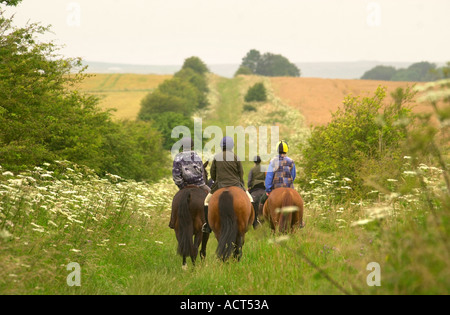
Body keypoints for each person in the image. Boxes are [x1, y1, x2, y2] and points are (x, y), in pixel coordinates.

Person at [202, 136, 253, 233]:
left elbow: (213, 174)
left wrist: (216, 180)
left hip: (219, 185)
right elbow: (240, 173)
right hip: (236, 184)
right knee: (251, 199)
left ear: (222, 146)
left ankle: (207, 225)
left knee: (206, 202)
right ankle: (253, 222)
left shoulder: (217, 157)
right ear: (231, 146)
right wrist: (240, 182)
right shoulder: (236, 157)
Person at [169, 137, 210, 229]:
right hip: (200, 185)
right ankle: (209, 222)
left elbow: (176, 175)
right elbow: (201, 171)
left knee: (175, 199)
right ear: (192, 146)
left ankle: (172, 221)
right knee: (212, 196)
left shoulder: (178, 157)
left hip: (184, 186)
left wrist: (182, 186)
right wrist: (200, 183)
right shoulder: (197, 156)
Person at [260, 140, 296, 208]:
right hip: (289, 188)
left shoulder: (273, 161)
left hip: (276, 189)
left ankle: (260, 218)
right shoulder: (291, 161)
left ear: (277, 150)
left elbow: (269, 177)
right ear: (286, 149)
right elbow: (293, 176)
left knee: (262, 201)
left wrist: (268, 190)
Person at [248, 156, 266, 227]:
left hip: (254, 189)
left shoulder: (252, 170)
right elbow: (267, 178)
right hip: (263, 188)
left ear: (254, 162)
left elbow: (249, 181)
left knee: (248, 201)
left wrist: (249, 186)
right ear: (260, 161)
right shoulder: (264, 169)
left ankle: (251, 220)